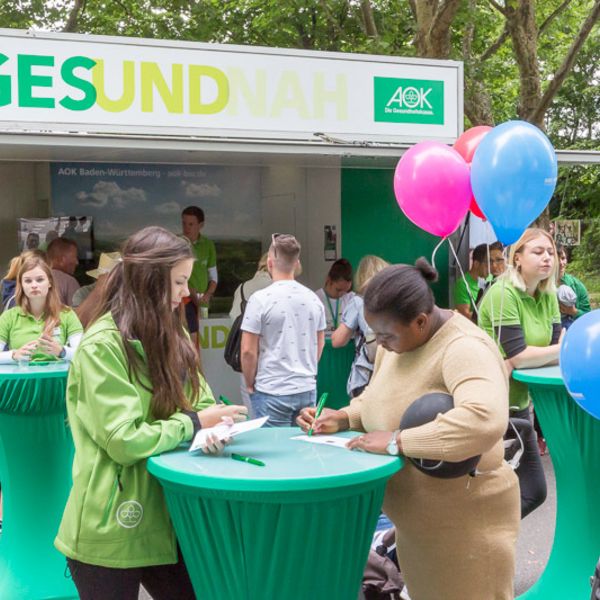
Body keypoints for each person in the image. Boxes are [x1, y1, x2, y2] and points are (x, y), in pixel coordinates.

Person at [298, 259, 520, 600]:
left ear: (420, 321)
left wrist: (398, 442)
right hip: (420, 530)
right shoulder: (398, 345)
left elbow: (484, 419)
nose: (380, 344)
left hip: (466, 532)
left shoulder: (463, 347)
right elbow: (377, 401)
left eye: (386, 335)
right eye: (375, 334)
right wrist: (342, 417)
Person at [54, 226, 247, 600]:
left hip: (171, 519)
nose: (187, 294)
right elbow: (124, 441)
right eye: (178, 283)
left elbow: (202, 403)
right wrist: (191, 424)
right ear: (149, 281)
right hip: (111, 527)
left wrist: (214, 425)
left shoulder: (170, 335)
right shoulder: (102, 346)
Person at [478, 227, 561, 507]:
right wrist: (558, 351)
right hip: (488, 405)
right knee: (485, 493)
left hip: (519, 403)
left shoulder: (549, 294)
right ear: (517, 258)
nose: (547, 258)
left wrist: (545, 354)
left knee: (533, 491)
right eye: (538, 252)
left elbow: (548, 351)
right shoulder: (503, 293)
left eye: (550, 252)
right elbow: (521, 354)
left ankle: (490, 544)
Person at [240, 234, 326, 427]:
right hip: (306, 387)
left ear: (269, 263)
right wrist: (305, 370)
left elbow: (247, 351)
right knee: (302, 449)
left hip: (271, 388)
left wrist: (249, 382)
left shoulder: (259, 299)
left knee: (273, 451)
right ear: (297, 263)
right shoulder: (313, 299)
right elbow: (319, 344)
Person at [0, 253, 83, 364]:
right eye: (28, 281)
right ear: (22, 285)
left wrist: (62, 352)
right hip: (22, 380)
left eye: (39, 280)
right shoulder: (9, 317)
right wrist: (14, 355)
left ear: (50, 283)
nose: (34, 285)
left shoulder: (67, 314)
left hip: (58, 380)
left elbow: (83, 354)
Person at [331, 255, 389, 397]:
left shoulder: (358, 302)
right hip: (391, 372)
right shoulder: (395, 300)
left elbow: (337, 341)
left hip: (367, 375)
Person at [181, 206, 217, 344]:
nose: (186, 228)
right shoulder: (178, 244)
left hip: (202, 302)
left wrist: (208, 295)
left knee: (202, 341)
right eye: (184, 223)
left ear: (201, 225)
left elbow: (213, 276)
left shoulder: (208, 245)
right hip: (184, 301)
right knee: (189, 339)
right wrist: (191, 294)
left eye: (191, 224)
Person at [315, 258, 354, 336]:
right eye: (338, 290)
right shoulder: (315, 299)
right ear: (329, 280)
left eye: (346, 290)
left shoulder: (352, 298)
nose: (341, 294)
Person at [453, 243, 491, 320]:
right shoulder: (463, 284)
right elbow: (465, 315)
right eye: (487, 264)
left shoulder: (490, 278)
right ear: (476, 264)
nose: (490, 268)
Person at [556, 243, 591, 329]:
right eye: (556, 259)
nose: (561, 263)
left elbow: (589, 317)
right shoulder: (540, 284)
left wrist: (573, 312)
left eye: (563, 258)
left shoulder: (577, 286)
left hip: (571, 328)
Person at [47, 237, 80, 305]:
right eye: (74, 257)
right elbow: (79, 312)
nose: (77, 262)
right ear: (62, 260)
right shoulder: (69, 282)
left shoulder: (36, 279)